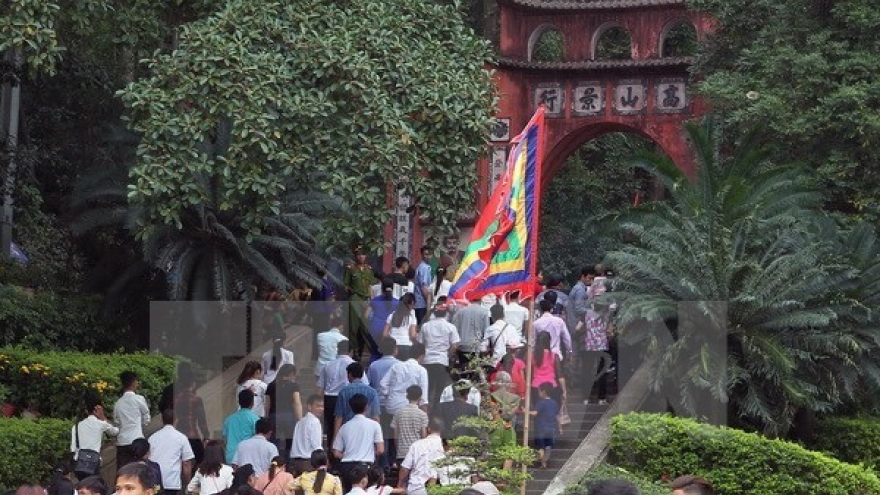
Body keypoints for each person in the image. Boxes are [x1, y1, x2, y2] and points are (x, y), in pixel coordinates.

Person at [332, 394, 384, 492]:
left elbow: (336, 452)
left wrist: (347, 456)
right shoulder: (374, 425)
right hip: (366, 466)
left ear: (351, 408)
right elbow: (380, 450)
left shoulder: (344, 427)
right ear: (366, 407)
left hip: (347, 467)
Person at [417, 299, 460, 407]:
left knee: (428, 388)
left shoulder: (425, 326)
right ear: (446, 313)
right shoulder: (450, 327)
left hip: (427, 360)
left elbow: (420, 343)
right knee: (440, 389)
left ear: (434, 313)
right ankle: (436, 410)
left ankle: (425, 409)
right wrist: (448, 355)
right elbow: (455, 345)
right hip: (442, 360)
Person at [171, 363, 209, 468]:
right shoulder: (196, 399)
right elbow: (202, 421)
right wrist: (206, 436)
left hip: (179, 432)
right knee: (198, 463)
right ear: (193, 383)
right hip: (193, 434)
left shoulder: (176, 399)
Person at [148, 409, 195, 495]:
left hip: (154, 481)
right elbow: (187, 463)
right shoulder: (181, 437)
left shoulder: (153, 437)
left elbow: (148, 458)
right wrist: (188, 483)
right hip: (172, 482)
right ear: (176, 419)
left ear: (162, 420)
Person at [71, 396, 118, 480]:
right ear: (98, 410)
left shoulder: (76, 426)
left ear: (86, 411)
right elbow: (115, 432)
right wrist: (103, 417)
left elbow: (73, 448)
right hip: (94, 463)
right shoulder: (101, 424)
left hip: (79, 462)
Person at [379, 343, 429, 416]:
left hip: (392, 406)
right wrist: (425, 415)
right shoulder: (422, 370)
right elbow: (423, 397)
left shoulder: (396, 366)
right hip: (410, 409)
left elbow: (383, 383)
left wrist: (389, 395)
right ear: (421, 356)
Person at [397, 417, 444, 495]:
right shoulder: (444, 448)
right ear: (442, 430)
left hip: (416, 488)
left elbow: (405, 468)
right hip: (437, 489)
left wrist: (400, 483)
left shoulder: (417, 445)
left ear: (428, 429)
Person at [114, 371, 151, 469]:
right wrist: (140, 426)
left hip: (122, 442)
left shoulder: (118, 403)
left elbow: (117, 423)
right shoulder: (139, 399)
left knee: (122, 471)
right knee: (138, 470)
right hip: (137, 440)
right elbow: (146, 417)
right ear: (134, 382)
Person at [343, 245, 374, 359]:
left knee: (365, 326)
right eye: (359, 254)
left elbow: (370, 286)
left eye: (363, 254)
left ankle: (367, 350)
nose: (361, 257)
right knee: (353, 326)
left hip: (366, 300)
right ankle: (354, 350)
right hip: (355, 298)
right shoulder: (351, 269)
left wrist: (371, 301)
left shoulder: (368, 270)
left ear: (366, 256)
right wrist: (352, 293)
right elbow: (345, 285)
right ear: (355, 256)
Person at [334, 362, 381, 436]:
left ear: (349, 375)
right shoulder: (372, 392)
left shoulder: (343, 392)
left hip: (348, 429)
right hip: (367, 430)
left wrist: (335, 438)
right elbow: (375, 416)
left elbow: (339, 417)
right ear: (362, 375)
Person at [266, 364, 302, 456]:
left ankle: (274, 463)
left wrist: (267, 417)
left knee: (274, 442)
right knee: (290, 443)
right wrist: (299, 418)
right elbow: (296, 402)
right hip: (289, 416)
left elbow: (267, 404)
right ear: (291, 374)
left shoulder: (271, 385)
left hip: (274, 416)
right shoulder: (294, 386)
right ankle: (288, 463)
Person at [390, 386, 428, 467]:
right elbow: (424, 437)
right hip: (417, 453)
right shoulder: (422, 415)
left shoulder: (398, 413)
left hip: (402, 453)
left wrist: (398, 450)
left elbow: (395, 436)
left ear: (407, 396)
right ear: (420, 397)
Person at [289, 395, 324, 476]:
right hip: (309, 463)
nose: (321, 409)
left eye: (322, 406)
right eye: (318, 406)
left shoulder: (300, 422)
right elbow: (317, 445)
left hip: (296, 463)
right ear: (309, 406)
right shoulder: (315, 422)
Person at [451, 298, 490, 370]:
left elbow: (454, 330)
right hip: (477, 347)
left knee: (463, 369)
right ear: (480, 300)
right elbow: (486, 331)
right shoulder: (484, 312)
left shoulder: (460, 312)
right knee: (475, 370)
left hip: (462, 346)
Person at [223, 389, 260, 464]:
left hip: (231, 457)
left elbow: (225, 440)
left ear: (238, 402)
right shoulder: (255, 419)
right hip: (247, 457)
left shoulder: (229, 419)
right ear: (252, 403)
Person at [365, 281, 399, 363]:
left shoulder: (375, 300)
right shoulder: (397, 302)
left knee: (374, 352)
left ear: (381, 288)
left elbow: (366, 315)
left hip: (374, 328)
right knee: (386, 354)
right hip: (388, 331)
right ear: (393, 289)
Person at [530, 384, 560, 469]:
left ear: (543, 392)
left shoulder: (541, 402)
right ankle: (544, 461)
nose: (538, 393)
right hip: (552, 427)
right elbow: (557, 416)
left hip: (542, 427)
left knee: (541, 446)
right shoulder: (554, 403)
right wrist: (560, 428)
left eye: (539, 390)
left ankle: (541, 460)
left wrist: (525, 412)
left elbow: (535, 413)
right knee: (548, 446)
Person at [531, 331, 567, 405]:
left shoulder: (532, 356)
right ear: (549, 341)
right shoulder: (554, 356)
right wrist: (564, 391)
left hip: (536, 386)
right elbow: (560, 375)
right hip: (551, 387)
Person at [481, 303, 518, 368]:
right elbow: (516, 345)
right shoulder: (512, 328)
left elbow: (483, 349)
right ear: (503, 315)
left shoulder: (490, 329)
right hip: (511, 363)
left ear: (492, 316)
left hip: (496, 363)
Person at [383, 293, 417, 360]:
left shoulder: (391, 315)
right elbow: (412, 335)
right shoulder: (411, 317)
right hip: (406, 346)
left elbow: (384, 334)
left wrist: (392, 338)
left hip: (393, 347)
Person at [316, 314, 349, 379]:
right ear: (341, 326)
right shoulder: (344, 339)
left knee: (319, 388)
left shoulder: (320, 336)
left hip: (320, 368)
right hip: (335, 369)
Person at [413, 245, 434, 325]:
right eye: (426, 254)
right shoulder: (425, 268)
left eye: (430, 254)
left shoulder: (422, 267)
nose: (428, 257)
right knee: (423, 327)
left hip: (419, 303)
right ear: (422, 255)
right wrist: (430, 302)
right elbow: (423, 287)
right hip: (422, 303)